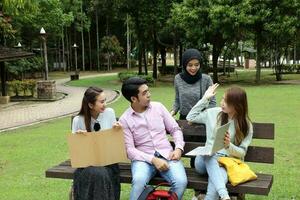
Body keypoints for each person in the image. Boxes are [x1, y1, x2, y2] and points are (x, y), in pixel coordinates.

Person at [119, 77, 188, 200]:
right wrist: (153, 160)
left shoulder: (159, 107)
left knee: (181, 182)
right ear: (134, 99)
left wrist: (178, 148)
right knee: (139, 181)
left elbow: (175, 129)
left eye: (148, 91)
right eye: (145, 93)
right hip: (143, 159)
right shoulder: (125, 119)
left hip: (167, 155)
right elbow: (130, 150)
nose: (149, 95)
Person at [186, 84, 253, 200]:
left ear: (237, 105)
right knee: (211, 155)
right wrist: (205, 98)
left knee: (216, 183)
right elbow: (190, 117)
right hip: (203, 160)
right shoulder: (213, 113)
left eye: (227, 101)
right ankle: (224, 194)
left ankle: (222, 195)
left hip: (224, 164)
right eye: (222, 99)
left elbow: (242, 152)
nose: (222, 103)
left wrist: (228, 146)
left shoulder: (245, 124)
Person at [71, 87, 120, 200]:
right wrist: (79, 140)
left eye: (105, 100)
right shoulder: (78, 120)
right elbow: (76, 155)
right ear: (90, 105)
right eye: (102, 102)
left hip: (109, 164)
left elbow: (114, 146)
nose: (105, 104)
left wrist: (117, 132)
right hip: (86, 166)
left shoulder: (109, 113)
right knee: (97, 174)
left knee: (100, 173)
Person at [171, 48, 216, 120]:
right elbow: (177, 100)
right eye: (190, 65)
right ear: (185, 64)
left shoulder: (206, 79)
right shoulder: (178, 78)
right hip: (184, 119)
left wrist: (204, 116)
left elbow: (212, 103)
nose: (193, 68)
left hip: (201, 119)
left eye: (196, 65)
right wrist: (172, 113)